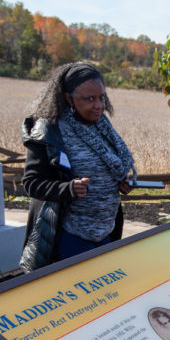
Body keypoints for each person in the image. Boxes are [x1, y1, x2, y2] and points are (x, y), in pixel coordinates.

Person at [20, 62, 137, 271]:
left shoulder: (102, 126)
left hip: (106, 231)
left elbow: (107, 167)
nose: (99, 105)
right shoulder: (49, 131)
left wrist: (119, 182)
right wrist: (68, 189)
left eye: (101, 97)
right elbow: (31, 183)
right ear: (68, 97)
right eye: (89, 99)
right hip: (68, 236)